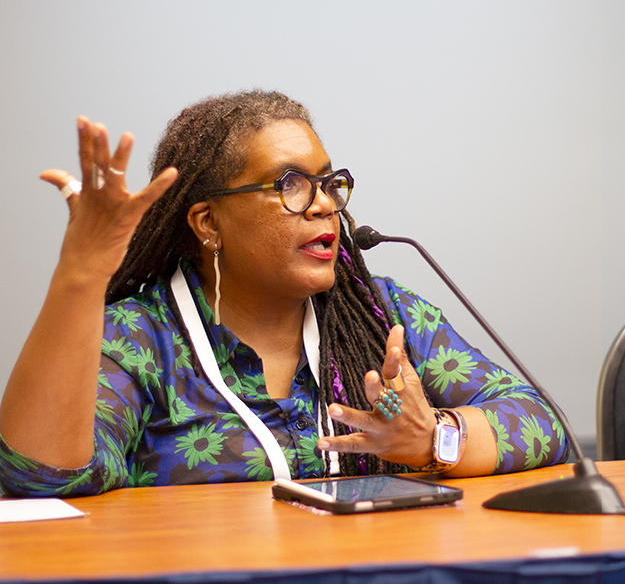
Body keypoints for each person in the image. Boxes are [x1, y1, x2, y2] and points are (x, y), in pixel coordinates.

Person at [0, 90, 567, 496]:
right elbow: (40, 477)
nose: (323, 203)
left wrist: (434, 441)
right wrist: (79, 275)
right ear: (207, 223)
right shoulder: (142, 336)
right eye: (290, 184)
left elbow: (542, 423)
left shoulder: (381, 314)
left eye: (329, 182)